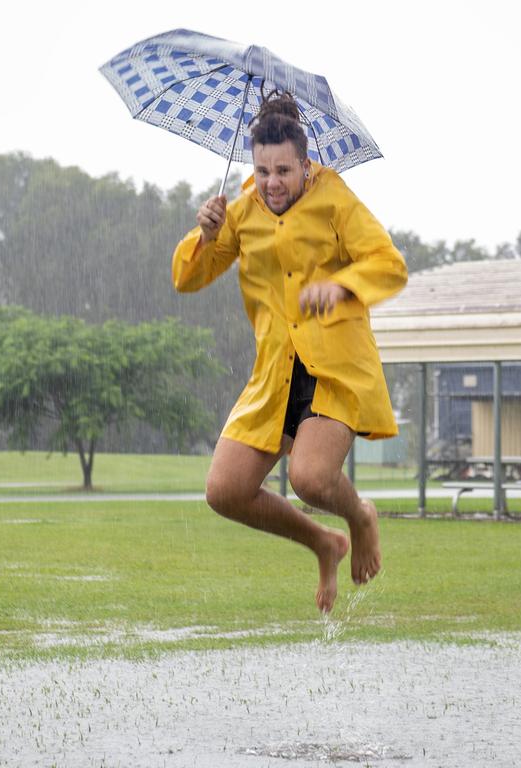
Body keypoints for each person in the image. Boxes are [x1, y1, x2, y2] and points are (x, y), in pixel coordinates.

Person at [171, 91, 407, 613]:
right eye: (262, 170)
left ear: (305, 163)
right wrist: (204, 236)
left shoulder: (335, 198)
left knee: (311, 478)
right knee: (224, 491)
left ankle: (360, 516)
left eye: (283, 170)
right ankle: (324, 543)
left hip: (335, 368)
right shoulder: (242, 211)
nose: (272, 182)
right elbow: (188, 279)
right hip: (275, 373)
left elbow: (390, 265)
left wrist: (341, 287)